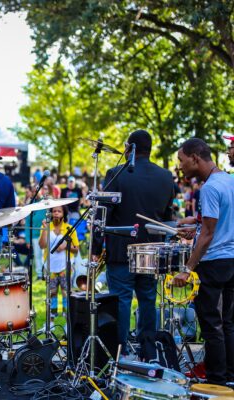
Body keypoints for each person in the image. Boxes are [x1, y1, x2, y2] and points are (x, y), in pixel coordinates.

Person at [91, 129, 174, 353]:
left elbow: (102, 215)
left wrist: (95, 248)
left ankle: (121, 352)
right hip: (152, 251)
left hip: (121, 251)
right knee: (148, 300)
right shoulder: (166, 177)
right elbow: (168, 218)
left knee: (122, 300)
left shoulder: (116, 174)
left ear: (130, 148)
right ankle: (149, 351)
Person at [173, 138, 234, 385]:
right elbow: (217, 223)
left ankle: (216, 381)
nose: (180, 166)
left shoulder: (209, 188)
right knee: (228, 323)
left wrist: (187, 269)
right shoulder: (229, 181)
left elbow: (209, 234)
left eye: (181, 160)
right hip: (231, 260)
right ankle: (230, 376)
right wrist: (196, 226)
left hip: (213, 263)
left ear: (195, 158)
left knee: (211, 326)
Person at [38, 205, 79, 320]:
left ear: (64, 214)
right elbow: (42, 245)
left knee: (66, 292)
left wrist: (66, 246)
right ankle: (52, 317)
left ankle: (67, 317)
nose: (56, 213)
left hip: (65, 266)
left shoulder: (69, 228)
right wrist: (45, 229)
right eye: (54, 211)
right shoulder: (46, 226)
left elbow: (76, 249)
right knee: (52, 292)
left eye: (59, 211)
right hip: (50, 266)